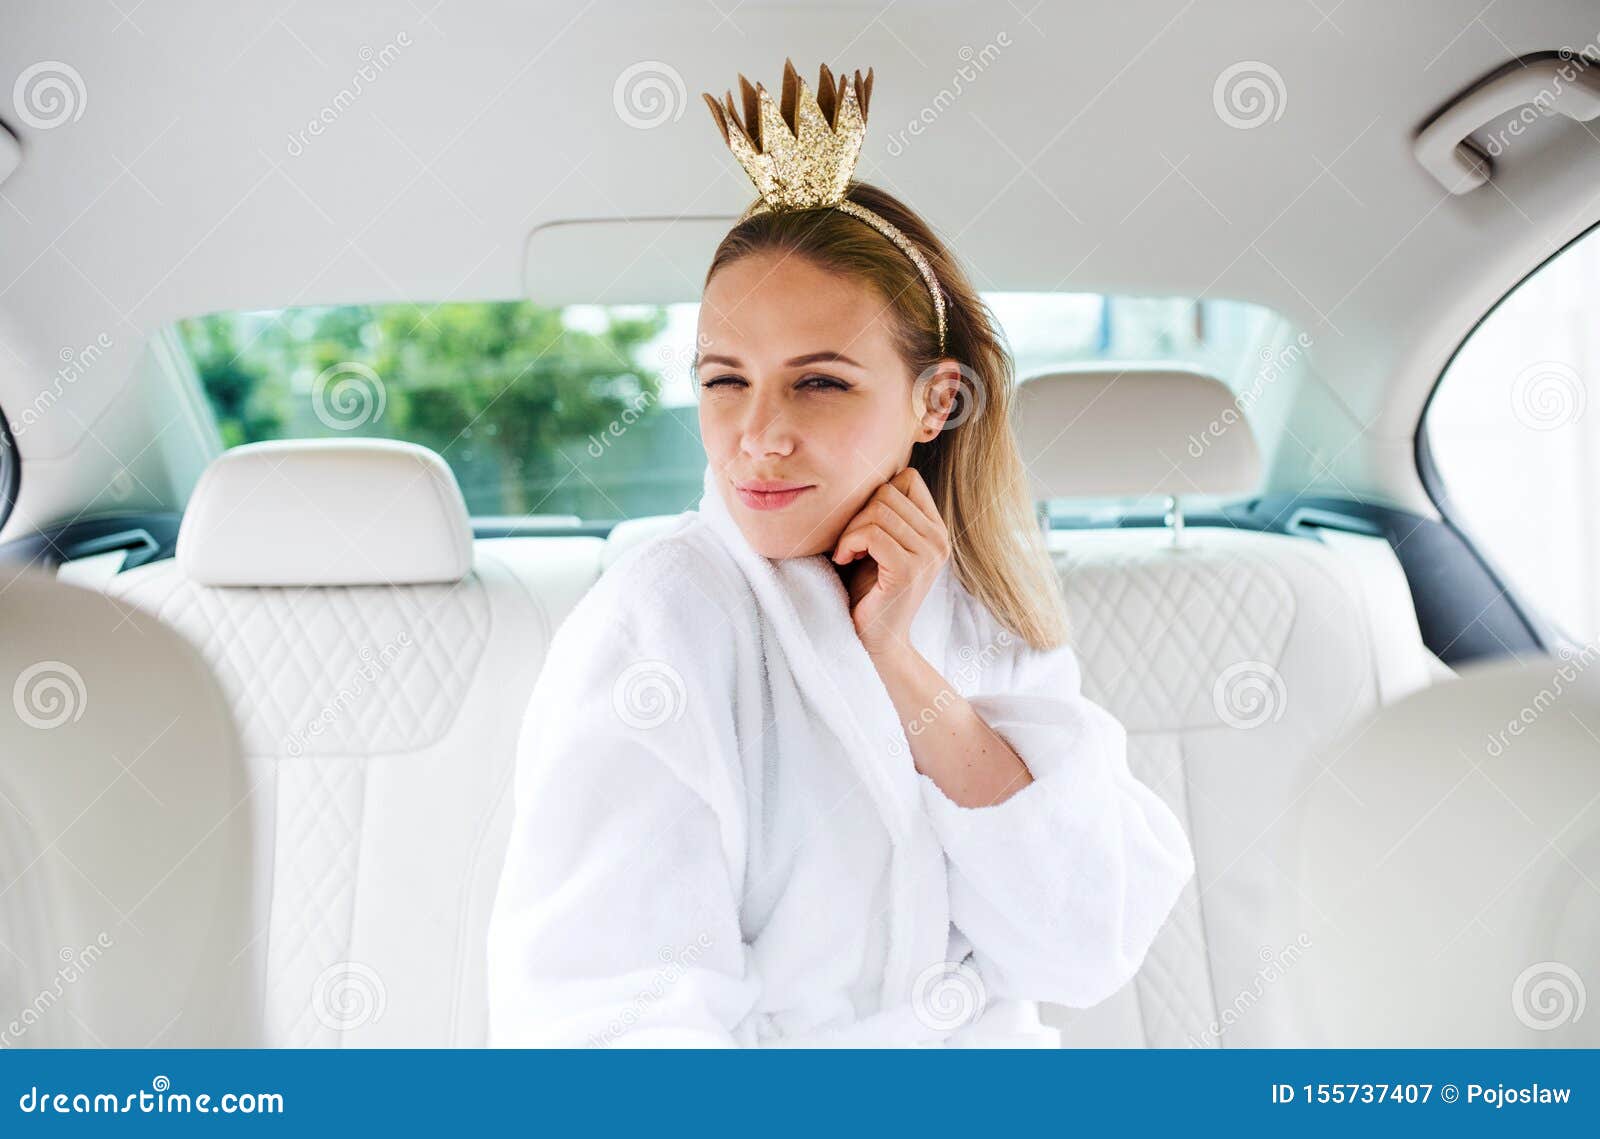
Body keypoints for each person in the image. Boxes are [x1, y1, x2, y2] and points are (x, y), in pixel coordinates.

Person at [485, 59, 1194, 1047]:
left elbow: (1082, 947)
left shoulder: (985, 612)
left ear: (936, 400)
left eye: (817, 383)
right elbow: (609, 1018)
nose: (757, 433)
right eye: (725, 380)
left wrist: (902, 668)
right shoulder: (657, 620)